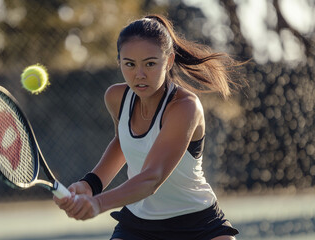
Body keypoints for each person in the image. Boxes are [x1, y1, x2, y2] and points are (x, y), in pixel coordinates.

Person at [54, 14, 245, 240]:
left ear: (169, 60)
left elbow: (152, 178)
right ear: (120, 63)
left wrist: (97, 203)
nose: (139, 74)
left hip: (198, 223)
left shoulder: (184, 107)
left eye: (150, 64)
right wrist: (90, 185)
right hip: (138, 226)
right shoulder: (116, 97)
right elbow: (123, 142)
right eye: (130, 64)